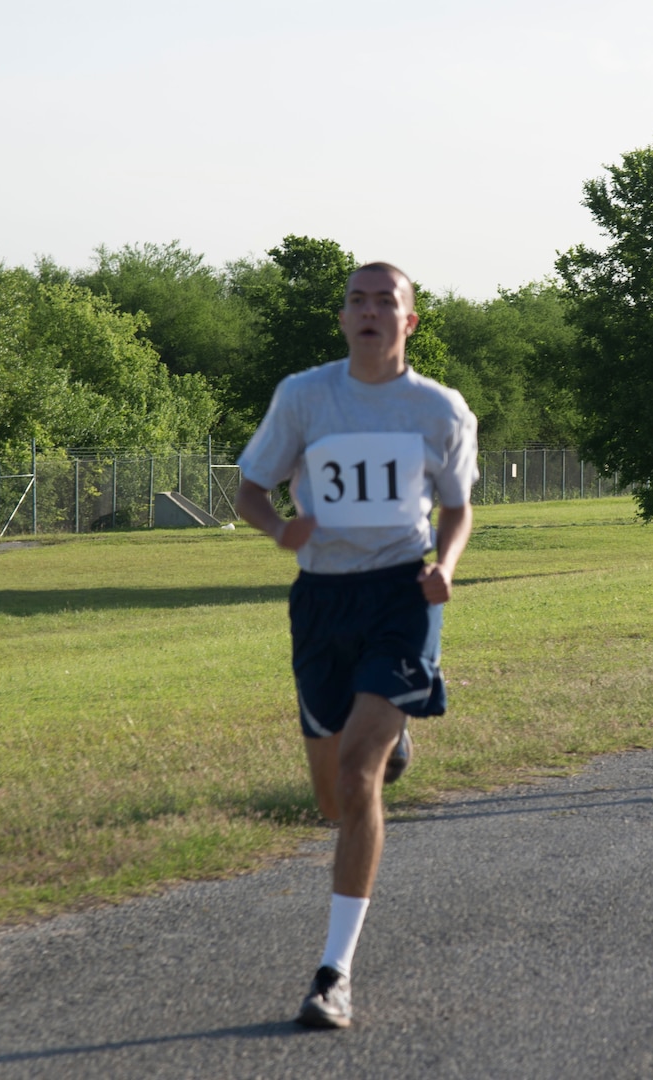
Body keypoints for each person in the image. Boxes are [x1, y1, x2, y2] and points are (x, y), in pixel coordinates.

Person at [235, 263, 479, 1029]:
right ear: (342, 318)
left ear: (409, 322)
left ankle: (333, 972)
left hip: (401, 595)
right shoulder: (305, 396)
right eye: (357, 301)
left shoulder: (439, 409)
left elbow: (457, 509)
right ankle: (389, 734)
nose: (370, 311)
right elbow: (249, 489)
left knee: (357, 772)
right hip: (321, 600)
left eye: (387, 302)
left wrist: (445, 564)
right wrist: (281, 530)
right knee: (331, 798)